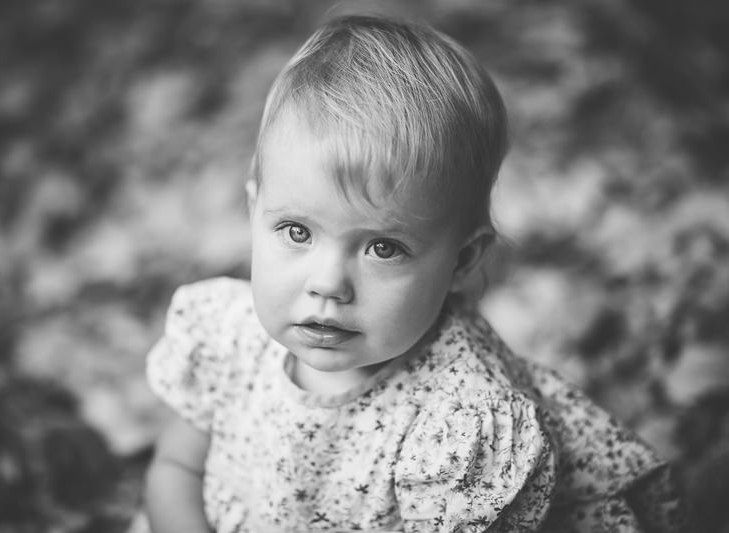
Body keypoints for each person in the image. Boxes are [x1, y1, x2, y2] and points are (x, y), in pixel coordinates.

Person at [138, 14, 686, 533]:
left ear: (462, 261)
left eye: (382, 247)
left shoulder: (456, 426)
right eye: (297, 232)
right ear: (255, 208)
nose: (328, 283)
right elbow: (175, 470)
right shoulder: (227, 338)